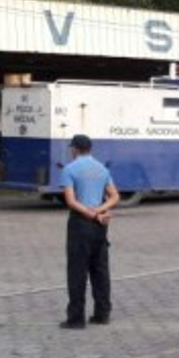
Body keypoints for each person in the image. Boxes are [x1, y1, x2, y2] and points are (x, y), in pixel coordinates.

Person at [59, 134, 119, 329]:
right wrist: (99, 211)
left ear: (75, 149)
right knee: (100, 269)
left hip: (80, 223)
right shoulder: (102, 168)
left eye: (72, 148)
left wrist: (91, 214)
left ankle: (76, 319)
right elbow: (114, 196)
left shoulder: (70, 169)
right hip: (100, 225)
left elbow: (71, 201)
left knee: (77, 271)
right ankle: (102, 313)